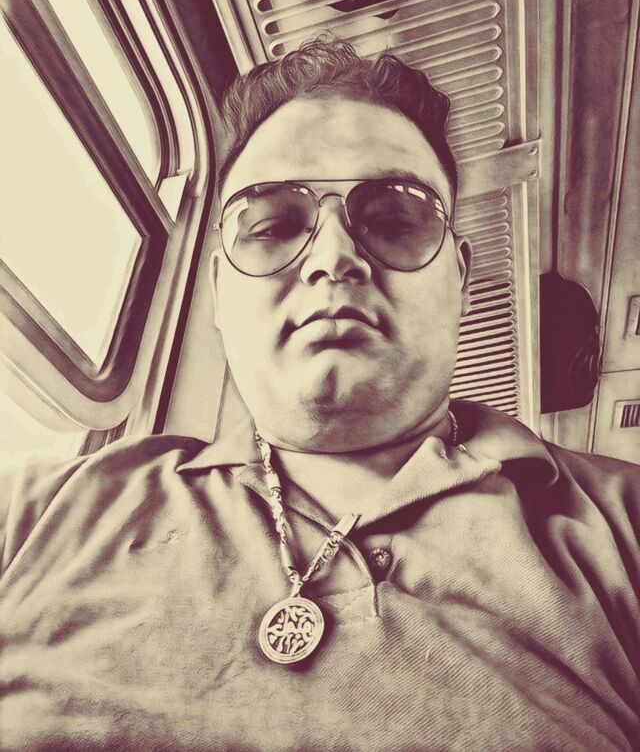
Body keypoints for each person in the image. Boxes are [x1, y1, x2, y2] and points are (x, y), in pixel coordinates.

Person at [1, 39, 638, 751]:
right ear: (218, 286)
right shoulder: (34, 516)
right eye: (273, 226)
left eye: (394, 221)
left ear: (460, 278)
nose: (335, 258)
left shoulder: (623, 529)